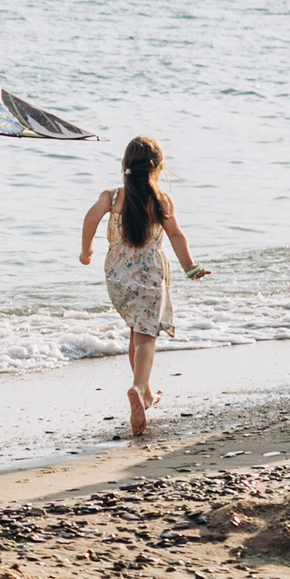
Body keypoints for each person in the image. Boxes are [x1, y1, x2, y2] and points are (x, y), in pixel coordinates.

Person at [81, 136, 207, 438]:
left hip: (117, 275)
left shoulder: (111, 197)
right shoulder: (161, 200)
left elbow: (90, 219)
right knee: (147, 336)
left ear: (125, 165)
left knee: (137, 331)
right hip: (150, 274)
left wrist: (86, 251)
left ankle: (146, 394)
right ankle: (138, 388)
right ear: (158, 167)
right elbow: (176, 235)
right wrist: (190, 267)